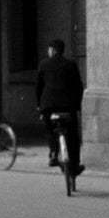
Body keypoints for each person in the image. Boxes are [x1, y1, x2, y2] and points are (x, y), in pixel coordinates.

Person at [37, 38, 85, 175]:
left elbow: (39, 88)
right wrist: (77, 105)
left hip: (48, 106)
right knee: (73, 136)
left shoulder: (44, 64)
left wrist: (39, 106)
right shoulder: (71, 64)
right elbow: (79, 87)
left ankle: (53, 151)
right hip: (67, 106)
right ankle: (75, 164)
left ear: (52, 50)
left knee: (49, 128)